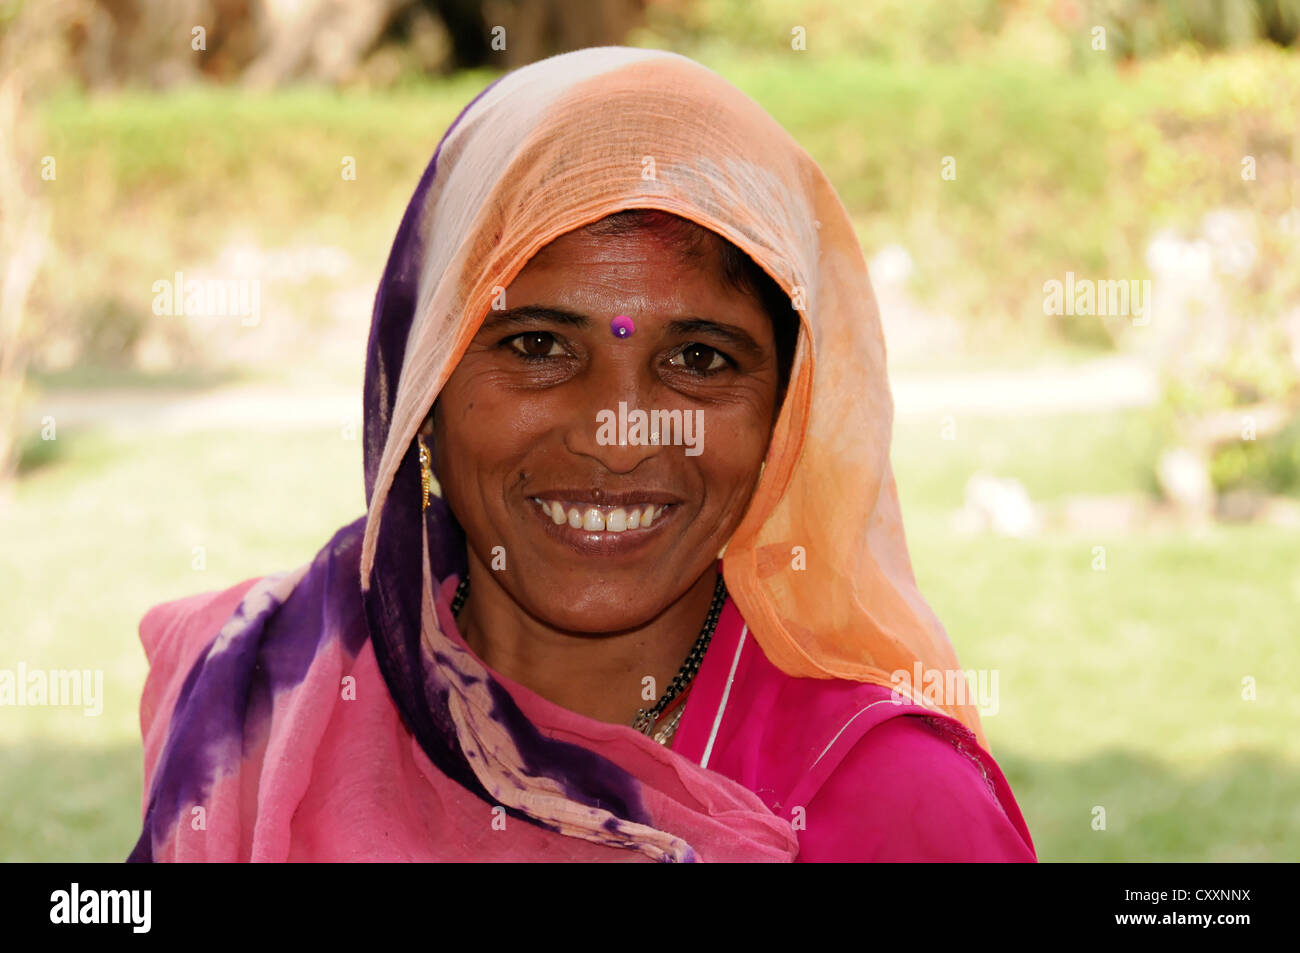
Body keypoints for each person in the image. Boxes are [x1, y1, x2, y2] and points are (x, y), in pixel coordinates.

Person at [128, 46, 1036, 862]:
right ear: (425, 387)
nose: (615, 432)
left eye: (698, 360)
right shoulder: (269, 698)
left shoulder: (896, 806)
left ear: (783, 419)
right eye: (536, 346)